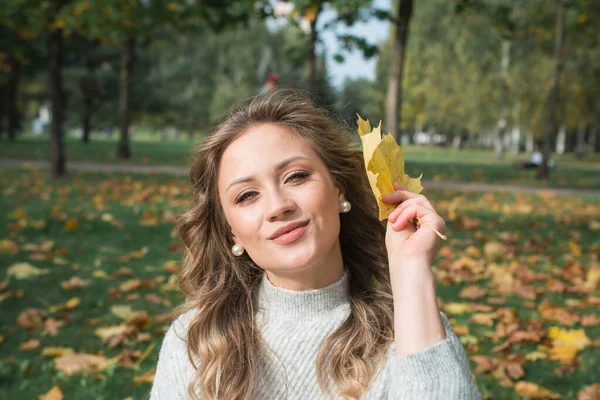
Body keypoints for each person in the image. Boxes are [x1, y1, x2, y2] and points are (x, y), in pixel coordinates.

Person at [150, 89, 481, 400]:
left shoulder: (409, 327)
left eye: (295, 176)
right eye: (247, 195)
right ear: (231, 232)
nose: (279, 205)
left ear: (338, 191)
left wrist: (411, 273)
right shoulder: (197, 340)